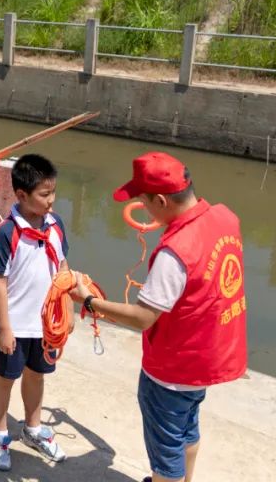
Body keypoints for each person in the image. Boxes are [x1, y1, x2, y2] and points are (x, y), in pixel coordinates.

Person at [69, 152, 248, 482]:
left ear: (162, 201)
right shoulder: (225, 219)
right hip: (205, 361)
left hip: (170, 373)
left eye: (144, 201)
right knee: (187, 431)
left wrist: (90, 301)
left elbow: (142, 317)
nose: (145, 209)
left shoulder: (174, 253)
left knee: (166, 456)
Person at [0, 154, 71, 472]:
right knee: (5, 377)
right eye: (44, 195)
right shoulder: (7, 233)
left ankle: (32, 428)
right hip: (16, 324)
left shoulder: (56, 225)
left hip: (45, 325)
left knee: (37, 375)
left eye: (53, 193)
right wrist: (4, 328)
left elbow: (63, 270)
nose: (51, 201)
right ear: (21, 195)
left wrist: (68, 312)